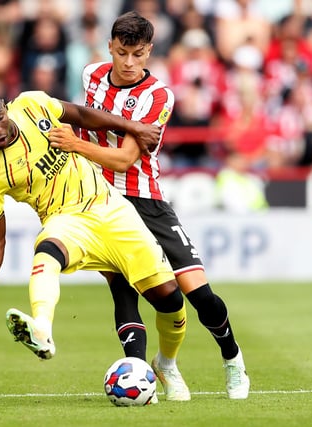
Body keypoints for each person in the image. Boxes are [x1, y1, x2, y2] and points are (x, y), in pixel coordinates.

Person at [48, 11, 250, 399]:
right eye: (122, 52)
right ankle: (145, 376)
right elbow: (87, 118)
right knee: (123, 289)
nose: (128, 63)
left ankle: (232, 359)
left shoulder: (158, 96)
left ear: (149, 52)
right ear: (110, 46)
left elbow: (125, 160)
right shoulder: (91, 75)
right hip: (101, 201)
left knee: (197, 293)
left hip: (147, 200)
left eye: (138, 55)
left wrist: (74, 145)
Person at [0, 88, 190, 401]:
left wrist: (133, 127)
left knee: (170, 301)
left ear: (6, 107)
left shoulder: (31, 105)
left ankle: (166, 364)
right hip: (65, 220)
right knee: (46, 252)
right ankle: (42, 330)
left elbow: (83, 115)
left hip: (110, 207)